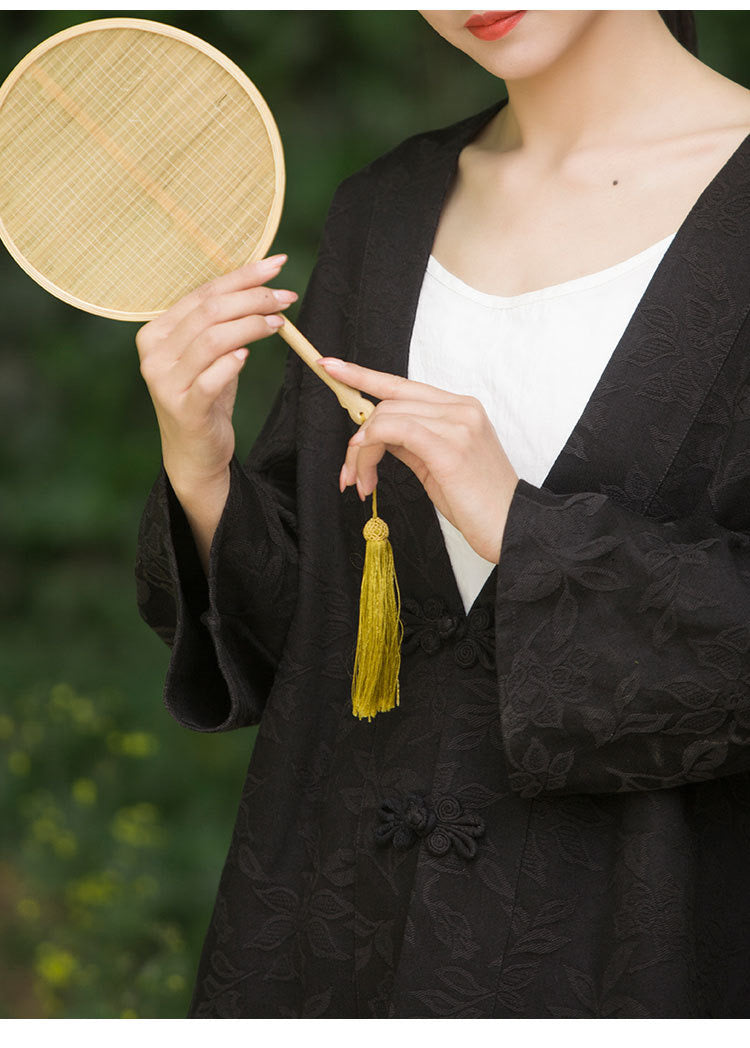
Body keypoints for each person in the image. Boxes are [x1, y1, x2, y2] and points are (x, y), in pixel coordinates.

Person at [135, 10, 750, 1018]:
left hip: (635, 949)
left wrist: (521, 527)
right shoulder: (386, 209)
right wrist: (201, 467)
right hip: (331, 934)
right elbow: (308, 637)